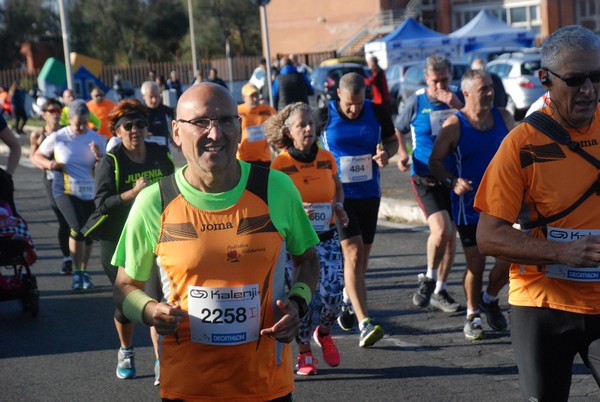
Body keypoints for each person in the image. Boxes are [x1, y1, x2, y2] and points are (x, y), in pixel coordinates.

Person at [112, 82, 320, 401]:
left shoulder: (277, 188)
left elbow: (307, 260)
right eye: (201, 122)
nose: (215, 133)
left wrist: (298, 303)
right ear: (177, 132)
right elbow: (125, 287)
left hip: (266, 388)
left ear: (238, 129)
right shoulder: (153, 201)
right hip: (187, 388)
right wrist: (150, 311)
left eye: (225, 121)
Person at [474, 25, 600, 401]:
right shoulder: (520, 144)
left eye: (597, 76)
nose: (589, 90)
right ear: (545, 78)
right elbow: (489, 236)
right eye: (576, 79)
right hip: (541, 305)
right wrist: (562, 252)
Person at [82, 99, 174, 384]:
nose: (135, 130)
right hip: (118, 240)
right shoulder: (111, 162)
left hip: (156, 236)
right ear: (117, 131)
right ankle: (126, 349)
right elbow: (102, 203)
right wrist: (132, 194)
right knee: (127, 305)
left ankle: (162, 361)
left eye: (140, 124)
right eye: (128, 126)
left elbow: (175, 186)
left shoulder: (159, 153)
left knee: (157, 300)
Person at [428, 69, 514, 340]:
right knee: (475, 264)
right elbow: (435, 162)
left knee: (509, 260)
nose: (490, 93)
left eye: (490, 87)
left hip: (504, 203)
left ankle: (489, 298)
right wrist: (452, 181)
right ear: (465, 93)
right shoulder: (455, 125)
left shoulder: (504, 117)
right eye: (483, 89)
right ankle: (472, 314)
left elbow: (523, 152)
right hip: (470, 205)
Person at [265, 102, 349, 375]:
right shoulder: (280, 164)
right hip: (296, 243)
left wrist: (338, 205)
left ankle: (324, 332)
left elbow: (336, 187)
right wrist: (298, 210)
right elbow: (273, 203)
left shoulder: (327, 157)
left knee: (335, 295)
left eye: (311, 123)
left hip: (326, 236)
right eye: (302, 125)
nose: (309, 129)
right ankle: (304, 353)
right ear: (289, 132)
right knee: (303, 298)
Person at [319, 72, 398, 347]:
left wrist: (387, 153)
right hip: (338, 197)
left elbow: (392, 140)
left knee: (361, 259)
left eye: (359, 104)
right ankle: (365, 323)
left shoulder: (376, 112)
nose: (354, 109)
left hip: (369, 194)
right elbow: (301, 141)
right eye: (349, 104)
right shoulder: (324, 115)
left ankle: (346, 300)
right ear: (338, 95)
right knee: (352, 253)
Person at [394, 55, 464, 314]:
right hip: (424, 176)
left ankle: (439, 290)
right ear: (426, 79)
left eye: (445, 79)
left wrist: (455, 104)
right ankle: (429, 278)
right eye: (436, 81)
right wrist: (402, 152)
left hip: (453, 177)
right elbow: (398, 128)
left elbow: (473, 120)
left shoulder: (458, 98)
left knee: (450, 236)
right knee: (441, 229)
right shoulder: (416, 102)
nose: (441, 85)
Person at [32, 100, 106, 291]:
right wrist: (50, 165)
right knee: (77, 227)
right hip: (64, 189)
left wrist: (99, 156)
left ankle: (83, 270)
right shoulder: (59, 137)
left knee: (88, 233)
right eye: (77, 123)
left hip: (89, 191)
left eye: (84, 123)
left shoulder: (96, 138)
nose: (80, 127)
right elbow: (36, 156)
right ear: (70, 119)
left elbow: (107, 165)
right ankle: (76, 272)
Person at [29, 98, 72, 275]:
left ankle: (76, 255)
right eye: (52, 111)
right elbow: (33, 157)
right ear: (44, 114)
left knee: (74, 221)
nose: (55, 114)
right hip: (52, 180)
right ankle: (67, 259)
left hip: (71, 180)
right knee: (63, 220)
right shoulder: (38, 134)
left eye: (58, 110)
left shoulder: (66, 132)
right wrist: (49, 164)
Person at [237, 83, 276, 168]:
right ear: (243, 97)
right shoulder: (237, 111)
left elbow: (276, 128)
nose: (255, 99)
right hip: (243, 159)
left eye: (256, 95)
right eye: (251, 96)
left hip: (264, 159)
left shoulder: (268, 110)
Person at [140, 81, 174, 149]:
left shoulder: (165, 110)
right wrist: (142, 134)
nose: (154, 100)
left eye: (156, 96)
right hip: (147, 151)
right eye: (151, 97)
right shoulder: (139, 112)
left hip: (164, 149)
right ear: (143, 96)